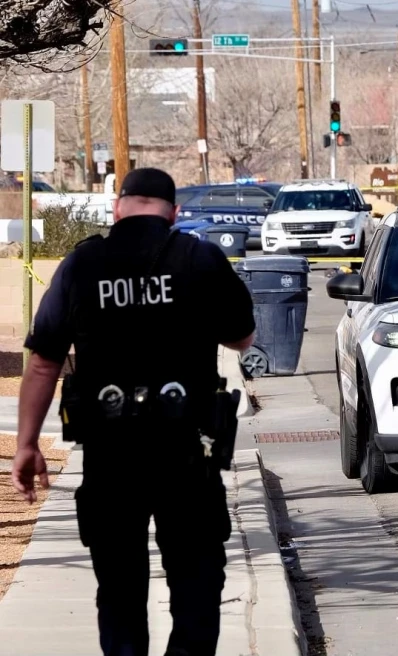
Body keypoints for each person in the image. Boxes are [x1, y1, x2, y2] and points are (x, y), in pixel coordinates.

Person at [11, 167, 257, 656]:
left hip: (111, 456)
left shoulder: (81, 265)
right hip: (188, 456)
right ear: (174, 213)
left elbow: (43, 363)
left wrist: (25, 444)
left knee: (119, 590)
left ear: (118, 207)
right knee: (196, 586)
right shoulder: (199, 258)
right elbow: (242, 336)